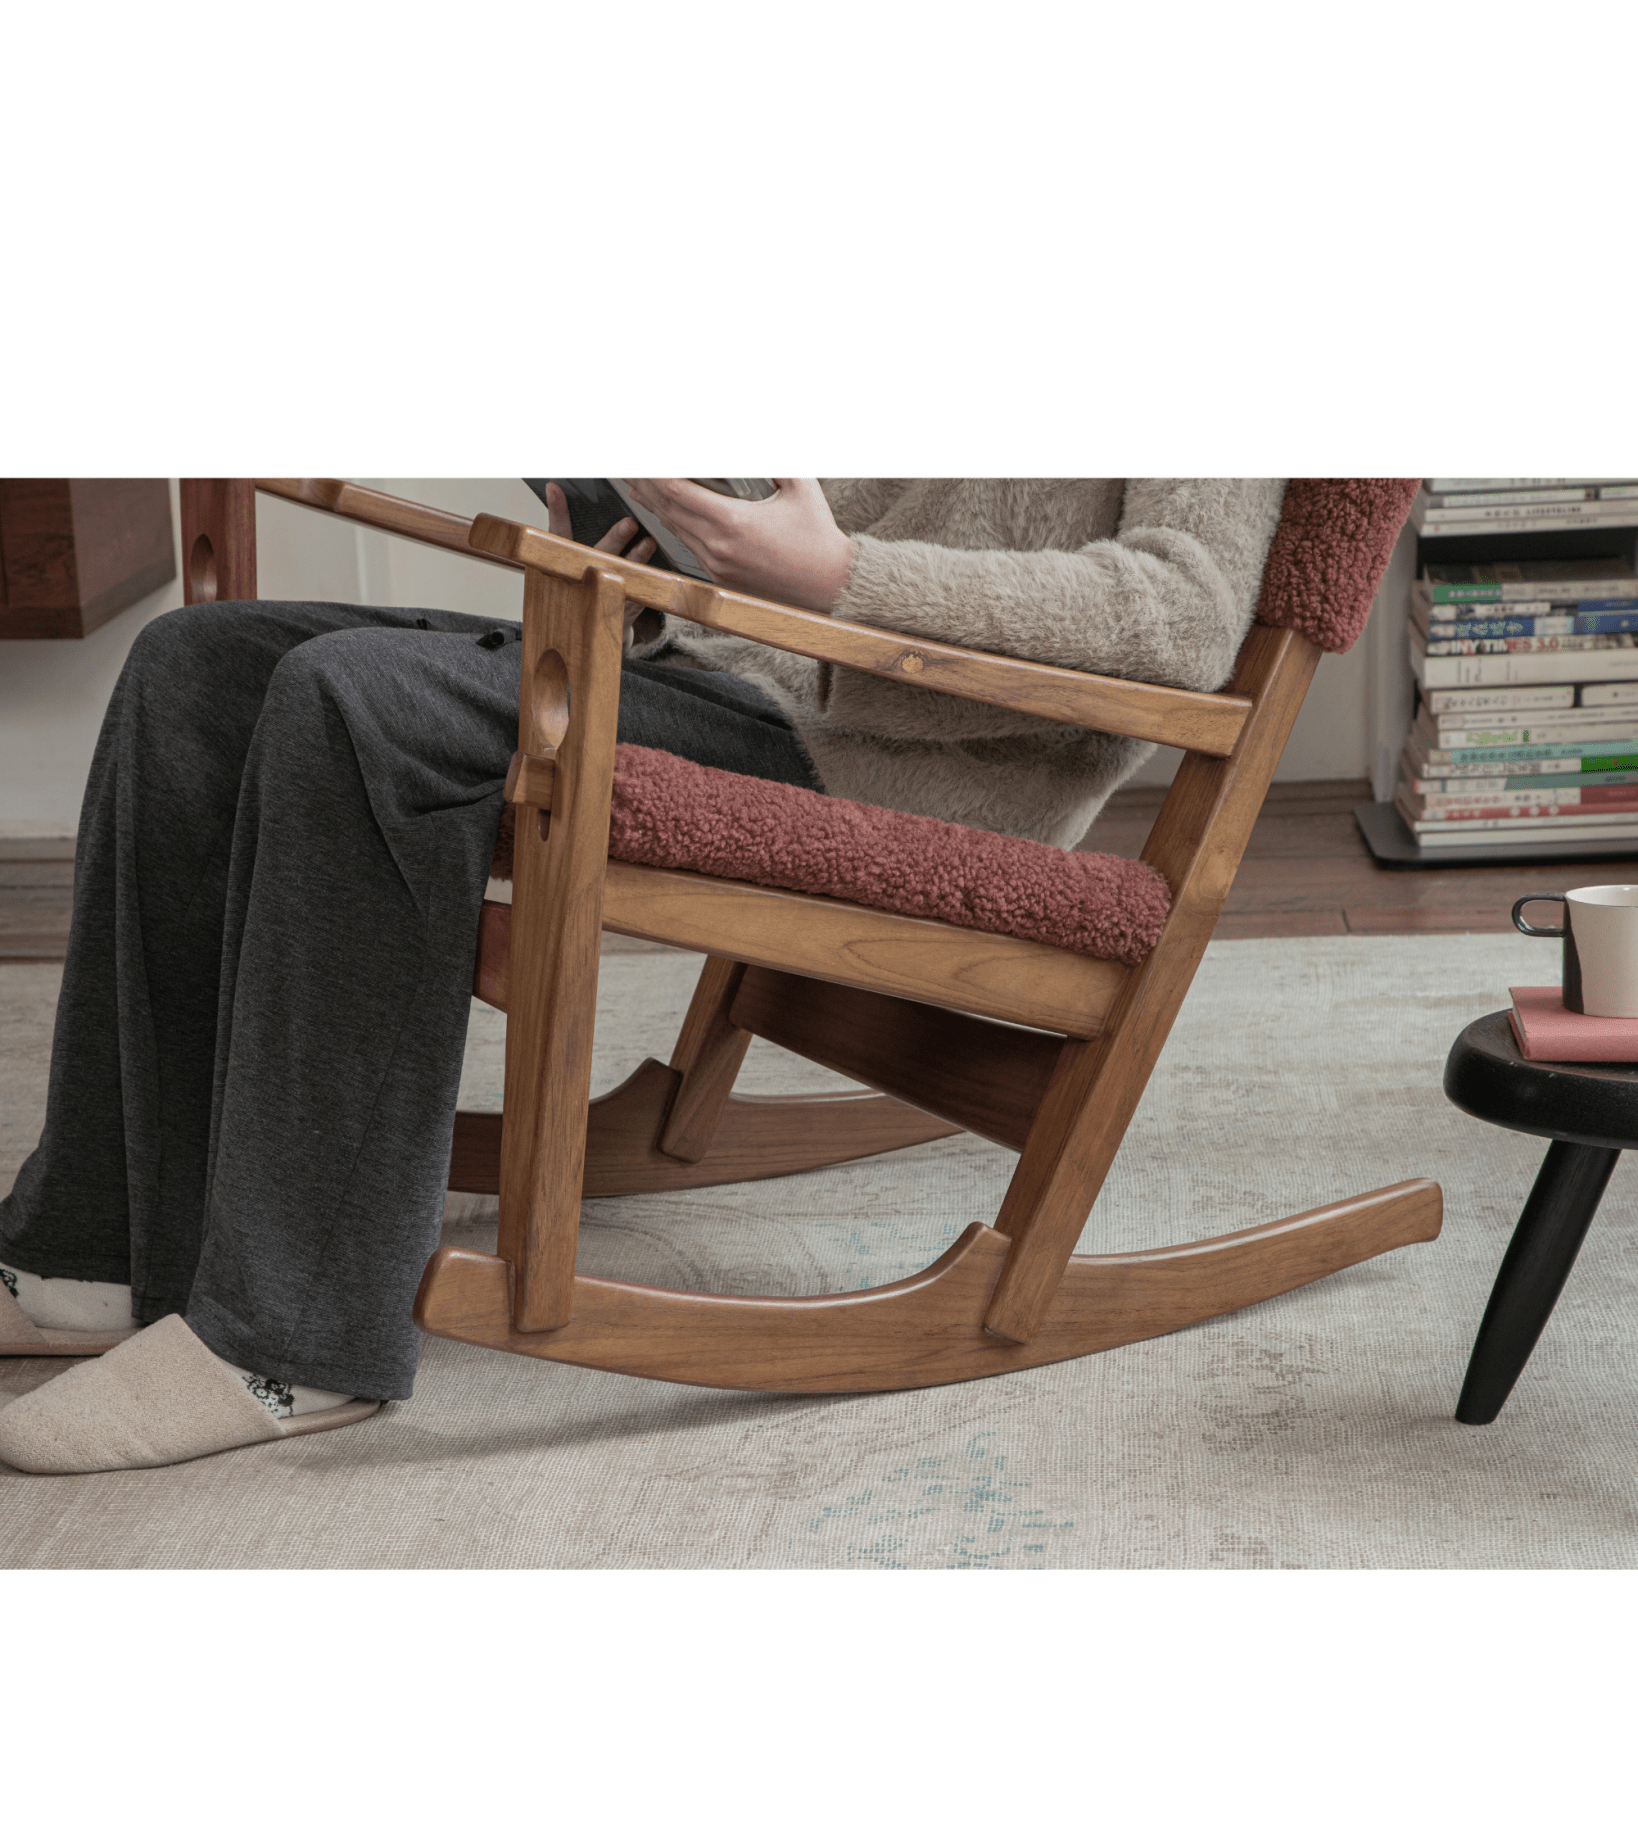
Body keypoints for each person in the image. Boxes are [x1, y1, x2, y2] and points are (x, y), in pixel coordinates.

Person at [0, 478, 1286, 1474]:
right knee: (198, 670)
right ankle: (101, 1246)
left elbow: (1182, 612)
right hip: (729, 662)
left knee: (364, 709)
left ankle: (291, 1341)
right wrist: (673, 515)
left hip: (899, 761)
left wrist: (836, 573)